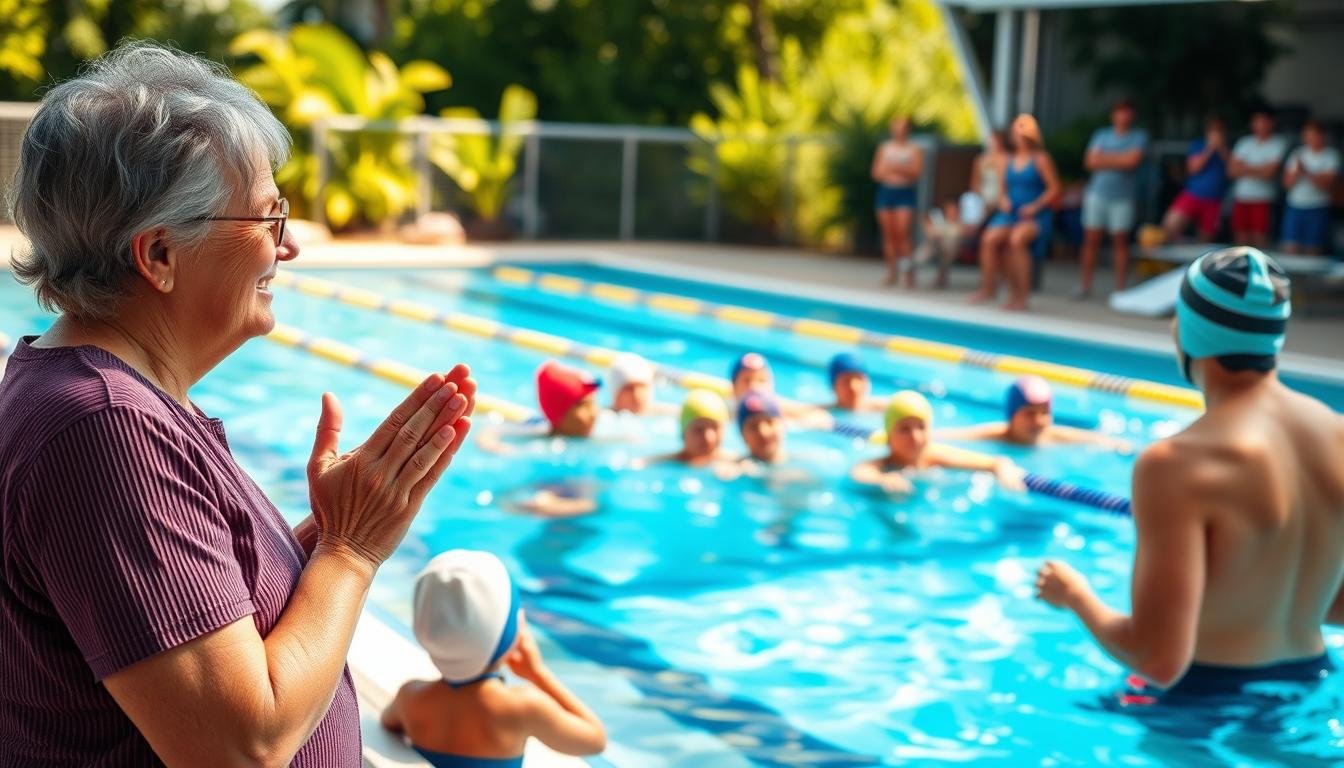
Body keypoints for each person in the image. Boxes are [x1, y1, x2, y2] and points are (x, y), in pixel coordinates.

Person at [0, 43, 478, 766]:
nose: (283, 251)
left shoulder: (98, 398)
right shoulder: (103, 430)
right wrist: (351, 553)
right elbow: (238, 745)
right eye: (265, 220)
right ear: (158, 255)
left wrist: (307, 551)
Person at [1036, 246, 1344, 699]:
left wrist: (1076, 596)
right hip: (1314, 685)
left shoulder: (1177, 464)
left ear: (1189, 332)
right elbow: (1336, 604)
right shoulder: (1337, 434)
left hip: (1205, 706)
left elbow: (1158, 660)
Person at [381, 550, 606, 766]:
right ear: (507, 634)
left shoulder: (411, 697)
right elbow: (595, 740)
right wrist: (536, 673)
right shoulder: (522, 706)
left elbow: (387, 723)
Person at [850, 391, 1026, 494]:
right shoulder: (886, 464)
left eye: (921, 427)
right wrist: (882, 479)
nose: (915, 436)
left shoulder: (934, 456)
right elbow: (860, 471)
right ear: (889, 435)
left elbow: (995, 462)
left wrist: (1003, 469)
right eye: (905, 429)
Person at [970, 114, 1061, 311]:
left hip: (1035, 214)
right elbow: (1003, 189)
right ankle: (989, 288)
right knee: (989, 238)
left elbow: (1054, 189)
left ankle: (1022, 295)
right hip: (1011, 212)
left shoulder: (1041, 159)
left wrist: (1035, 206)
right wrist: (1004, 201)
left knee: (1016, 240)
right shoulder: (1007, 160)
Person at [937, 376, 1131, 450]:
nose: (1039, 421)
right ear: (1012, 415)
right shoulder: (997, 435)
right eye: (1030, 414)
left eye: (1044, 413)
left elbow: (1099, 439)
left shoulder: (1052, 435)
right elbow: (948, 436)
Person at [1078, 99, 1148, 297]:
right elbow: (1090, 162)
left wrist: (1104, 158)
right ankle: (1085, 286)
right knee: (1091, 240)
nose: (1123, 116)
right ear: (1113, 115)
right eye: (1120, 112)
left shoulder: (1138, 136)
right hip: (1097, 194)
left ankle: (1120, 289)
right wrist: (1120, 158)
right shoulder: (1102, 134)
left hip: (1122, 197)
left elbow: (1132, 162)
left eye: (1127, 112)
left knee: (1120, 241)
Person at [477, 361, 601, 454]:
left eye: (593, 404)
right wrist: (499, 448)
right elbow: (491, 431)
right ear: (559, 415)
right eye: (584, 406)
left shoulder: (604, 430)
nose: (594, 413)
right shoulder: (541, 438)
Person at [872, 116, 924, 287]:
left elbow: (916, 172)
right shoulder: (885, 148)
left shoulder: (914, 149)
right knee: (889, 235)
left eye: (902, 127)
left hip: (905, 193)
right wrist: (901, 169)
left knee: (902, 233)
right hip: (887, 192)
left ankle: (908, 273)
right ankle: (891, 272)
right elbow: (877, 173)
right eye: (896, 127)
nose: (899, 131)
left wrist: (894, 168)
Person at [1162, 117, 1231, 243]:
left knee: (1205, 240)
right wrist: (1209, 148)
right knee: (1170, 225)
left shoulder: (1228, 150)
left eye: (1220, 130)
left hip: (1214, 201)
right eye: (1213, 130)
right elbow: (1193, 168)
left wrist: (1222, 150)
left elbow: (1232, 172)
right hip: (1192, 195)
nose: (1216, 133)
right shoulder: (1198, 145)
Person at [1229, 108, 1289, 248]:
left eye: (1262, 121)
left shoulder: (1278, 143)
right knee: (1240, 240)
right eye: (1256, 121)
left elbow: (1269, 174)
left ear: (1271, 123)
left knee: (1260, 240)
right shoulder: (1244, 142)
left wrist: (1244, 168)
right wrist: (1260, 168)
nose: (1259, 125)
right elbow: (1231, 171)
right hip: (1241, 197)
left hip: (1263, 199)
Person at [1281, 120, 1340, 255]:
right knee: (1290, 248)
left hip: (1317, 206)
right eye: (1307, 134)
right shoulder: (1297, 153)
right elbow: (1286, 184)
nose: (1309, 138)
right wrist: (1297, 173)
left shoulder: (1331, 156)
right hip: (1294, 206)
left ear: (1322, 136)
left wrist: (1306, 172)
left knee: (1313, 249)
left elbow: (1326, 185)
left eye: (1313, 135)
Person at [639, 389, 736, 471]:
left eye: (715, 428)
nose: (708, 437)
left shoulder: (736, 464)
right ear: (684, 433)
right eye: (699, 430)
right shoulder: (662, 463)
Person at [914, 197, 967, 289]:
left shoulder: (961, 223)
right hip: (934, 248)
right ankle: (911, 264)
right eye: (950, 210)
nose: (953, 212)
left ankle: (940, 277)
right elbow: (927, 226)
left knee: (947, 246)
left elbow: (961, 233)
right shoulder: (940, 221)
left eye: (955, 210)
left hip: (949, 250)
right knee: (931, 244)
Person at [607, 352, 674, 416]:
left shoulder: (668, 413)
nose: (636, 395)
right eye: (629, 388)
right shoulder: (605, 417)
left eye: (641, 387)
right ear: (616, 394)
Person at [737, 391, 788, 465]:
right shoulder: (737, 470)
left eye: (769, 422)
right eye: (753, 427)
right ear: (742, 435)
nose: (763, 432)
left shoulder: (804, 461)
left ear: (784, 425)